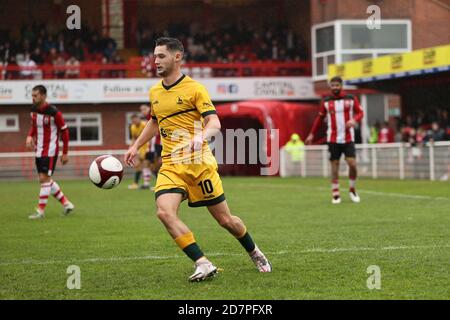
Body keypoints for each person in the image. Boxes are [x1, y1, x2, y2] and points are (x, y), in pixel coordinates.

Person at [124, 37, 271, 282]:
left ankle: (254, 251)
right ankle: (203, 263)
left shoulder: (195, 89)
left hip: (199, 165)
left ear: (177, 57)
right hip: (171, 165)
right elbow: (154, 120)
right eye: (155, 56)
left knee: (226, 220)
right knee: (164, 212)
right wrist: (136, 144)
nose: (155, 61)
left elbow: (214, 122)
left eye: (161, 56)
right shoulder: (155, 91)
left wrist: (200, 137)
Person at [305, 76, 364, 204]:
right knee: (334, 165)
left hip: (348, 138)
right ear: (330, 87)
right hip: (332, 138)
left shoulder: (351, 99)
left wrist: (354, 120)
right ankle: (336, 193)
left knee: (352, 164)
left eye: (337, 85)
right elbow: (319, 119)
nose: (335, 88)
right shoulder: (326, 101)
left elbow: (360, 113)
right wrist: (311, 134)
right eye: (333, 85)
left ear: (341, 86)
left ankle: (352, 189)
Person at [26, 85, 74, 219]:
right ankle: (67, 204)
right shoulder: (33, 110)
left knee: (43, 179)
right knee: (46, 180)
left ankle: (40, 211)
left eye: (35, 95)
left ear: (43, 96)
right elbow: (34, 126)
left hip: (51, 150)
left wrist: (65, 153)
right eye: (32, 95)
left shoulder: (54, 112)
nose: (33, 98)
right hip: (39, 150)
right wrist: (29, 135)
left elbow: (65, 132)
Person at [128, 114, 148, 190]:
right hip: (140, 148)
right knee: (138, 165)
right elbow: (134, 138)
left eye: (135, 120)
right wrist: (130, 148)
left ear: (139, 119)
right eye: (133, 121)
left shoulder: (144, 125)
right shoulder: (133, 127)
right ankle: (137, 183)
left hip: (147, 147)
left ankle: (143, 183)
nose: (134, 122)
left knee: (151, 166)